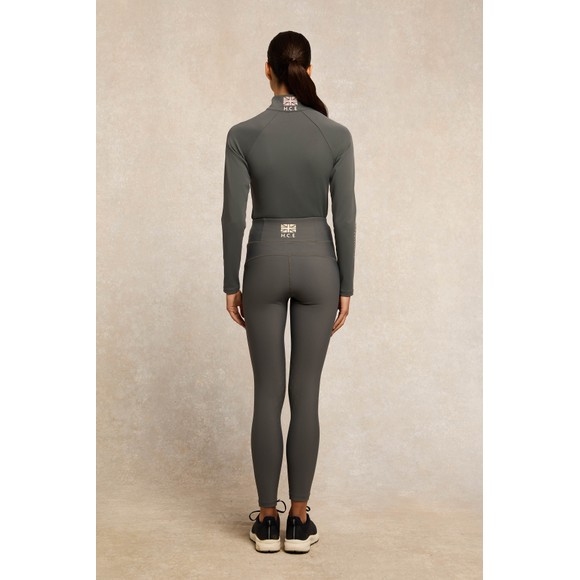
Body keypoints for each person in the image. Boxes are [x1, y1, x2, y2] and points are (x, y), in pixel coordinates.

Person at [221, 30, 356, 553]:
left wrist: (231, 282)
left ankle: (264, 520)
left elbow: (233, 216)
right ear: (309, 70)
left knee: (267, 394)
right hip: (321, 265)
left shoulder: (243, 134)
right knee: (306, 395)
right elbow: (345, 217)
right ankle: (298, 520)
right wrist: (347, 283)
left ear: (267, 69)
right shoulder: (335, 135)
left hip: (263, 264)